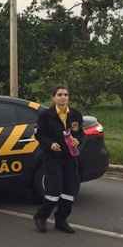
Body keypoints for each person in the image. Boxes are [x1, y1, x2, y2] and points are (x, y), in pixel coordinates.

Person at [33, 85, 84, 234]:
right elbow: (39, 135)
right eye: (60, 94)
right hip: (53, 158)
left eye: (66, 95)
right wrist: (50, 144)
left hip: (70, 158)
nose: (63, 97)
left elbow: (80, 133)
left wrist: (77, 140)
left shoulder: (75, 115)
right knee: (53, 191)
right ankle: (41, 217)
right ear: (53, 97)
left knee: (69, 190)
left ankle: (61, 220)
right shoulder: (45, 115)